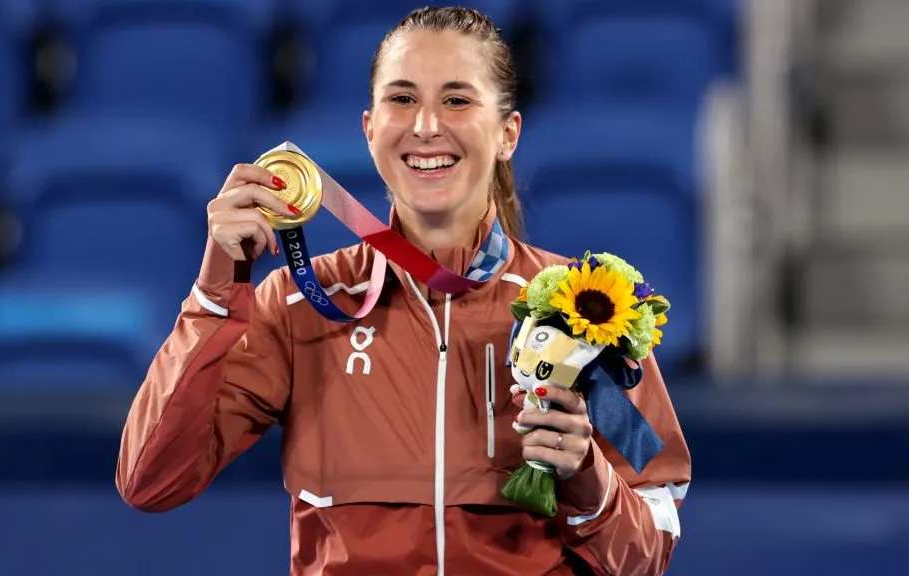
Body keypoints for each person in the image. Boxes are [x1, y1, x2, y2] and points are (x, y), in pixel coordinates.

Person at [116, 6, 691, 575]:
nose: (425, 126)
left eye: (458, 100)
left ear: (507, 133)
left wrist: (587, 480)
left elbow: (651, 546)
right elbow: (151, 480)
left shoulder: (587, 316)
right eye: (402, 98)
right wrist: (216, 294)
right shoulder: (299, 305)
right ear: (370, 131)